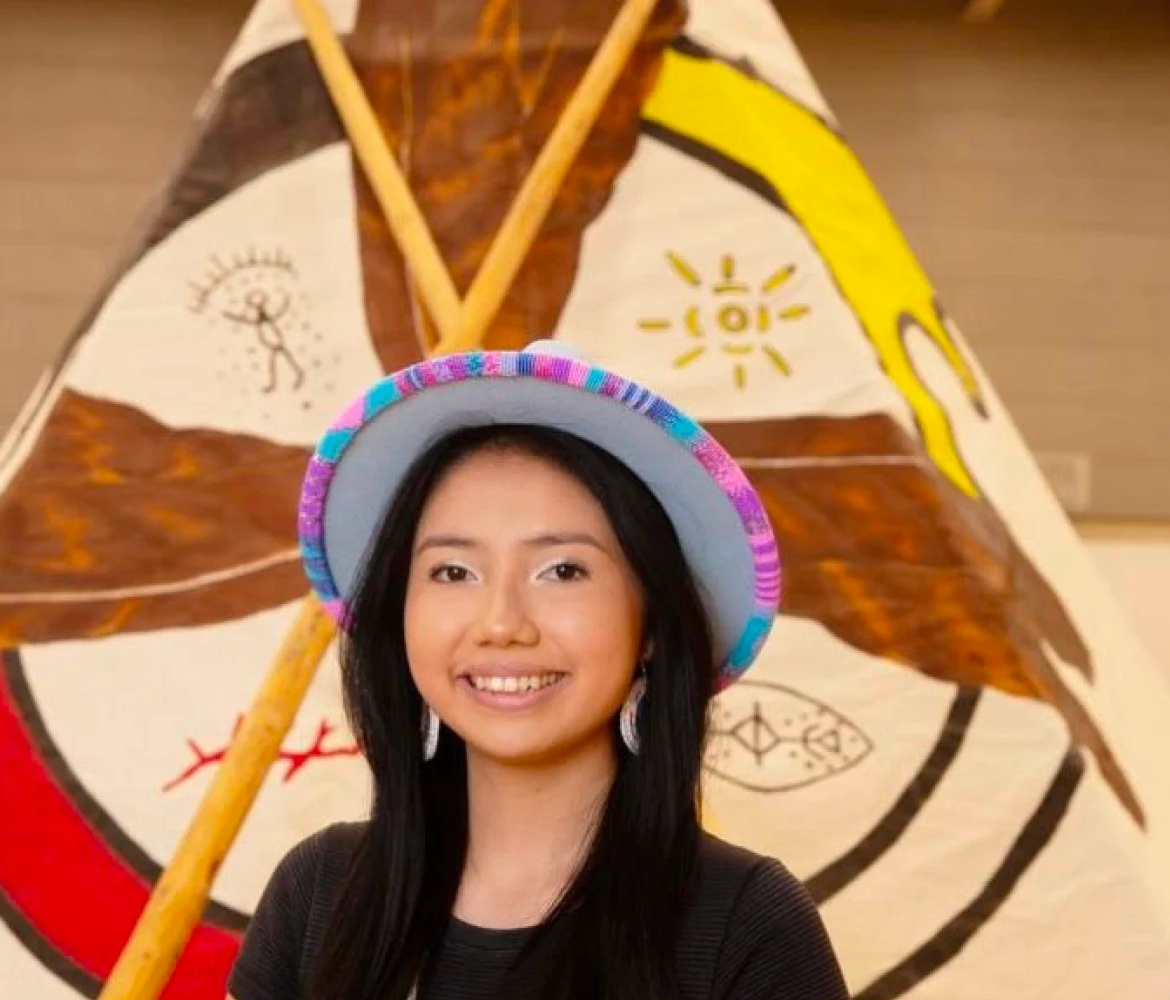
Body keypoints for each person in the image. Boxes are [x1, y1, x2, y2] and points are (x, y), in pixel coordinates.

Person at [228, 342, 849, 1000]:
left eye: (562, 570)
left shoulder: (748, 925)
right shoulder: (319, 893)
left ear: (654, 628)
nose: (502, 623)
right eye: (453, 571)